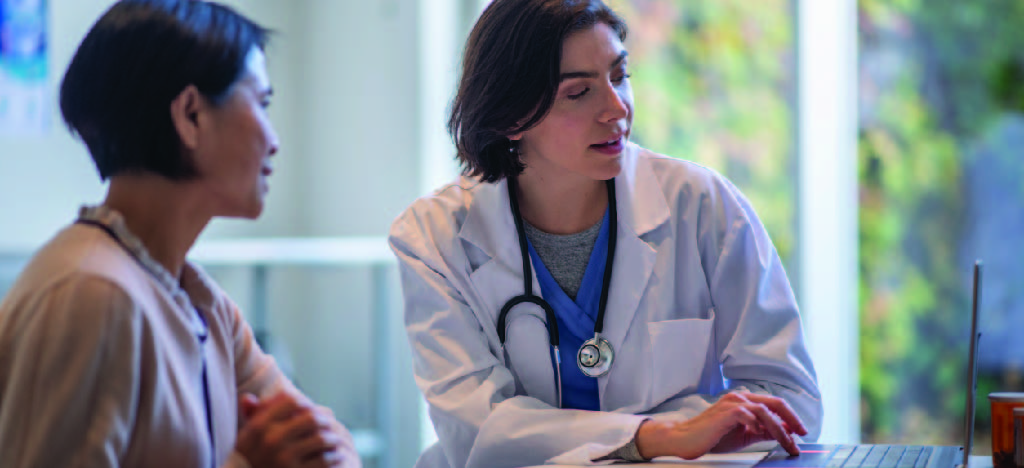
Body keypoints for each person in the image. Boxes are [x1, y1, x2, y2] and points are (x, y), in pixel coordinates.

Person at [388, 1, 823, 467]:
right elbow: (477, 432)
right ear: (512, 114)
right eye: (579, 93)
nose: (616, 109)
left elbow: (787, 399)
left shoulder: (702, 206)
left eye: (619, 76)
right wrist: (656, 436)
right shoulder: (432, 238)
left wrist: (687, 433)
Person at [0, 1, 360, 467]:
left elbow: (330, 447)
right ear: (190, 115)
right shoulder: (91, 294)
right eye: (262, 103)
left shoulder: (200, 303)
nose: (275, 139)